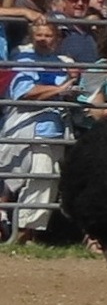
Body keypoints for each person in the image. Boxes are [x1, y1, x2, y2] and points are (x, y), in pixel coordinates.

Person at [0, 21, 78, 244]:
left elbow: (66, 92)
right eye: (39, 35)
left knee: (46, 178)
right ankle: (23, 230)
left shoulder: (61, 63)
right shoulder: (23, 59)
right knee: (33, 176)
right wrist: (60, 89)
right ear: (32, 37)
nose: (43, 39)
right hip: (26, 126)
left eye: (48, 35)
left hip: (53, 129)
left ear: (57, 39)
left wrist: (70, 88)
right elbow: (25, 92)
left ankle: (27, 231)